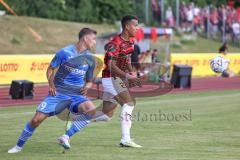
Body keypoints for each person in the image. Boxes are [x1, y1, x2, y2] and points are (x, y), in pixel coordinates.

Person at [8, 28, 99, 153]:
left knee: (92, 111)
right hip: (59, 93)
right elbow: (51, 69)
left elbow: (89, 80)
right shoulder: (64, 52)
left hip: (76, 95)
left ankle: (66, 136)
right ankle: (18, 146)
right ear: (85, 38)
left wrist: (88, 86)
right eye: (94, 39)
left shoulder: (90, 59)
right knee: (36, 120)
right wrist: (50, 84)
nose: (95, 42)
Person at [101, 15, 142, 148]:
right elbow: (111, 66)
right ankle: (125, 139)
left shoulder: (131, 41)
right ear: (127, 26)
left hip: (117, 78)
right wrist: (127, 76)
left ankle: (79, 118)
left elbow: (127, 59)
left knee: (106, 115)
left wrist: (131, 72)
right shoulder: (114, 43)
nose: (137, 28)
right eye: (135, 25)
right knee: (129, 103)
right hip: (110, 78)